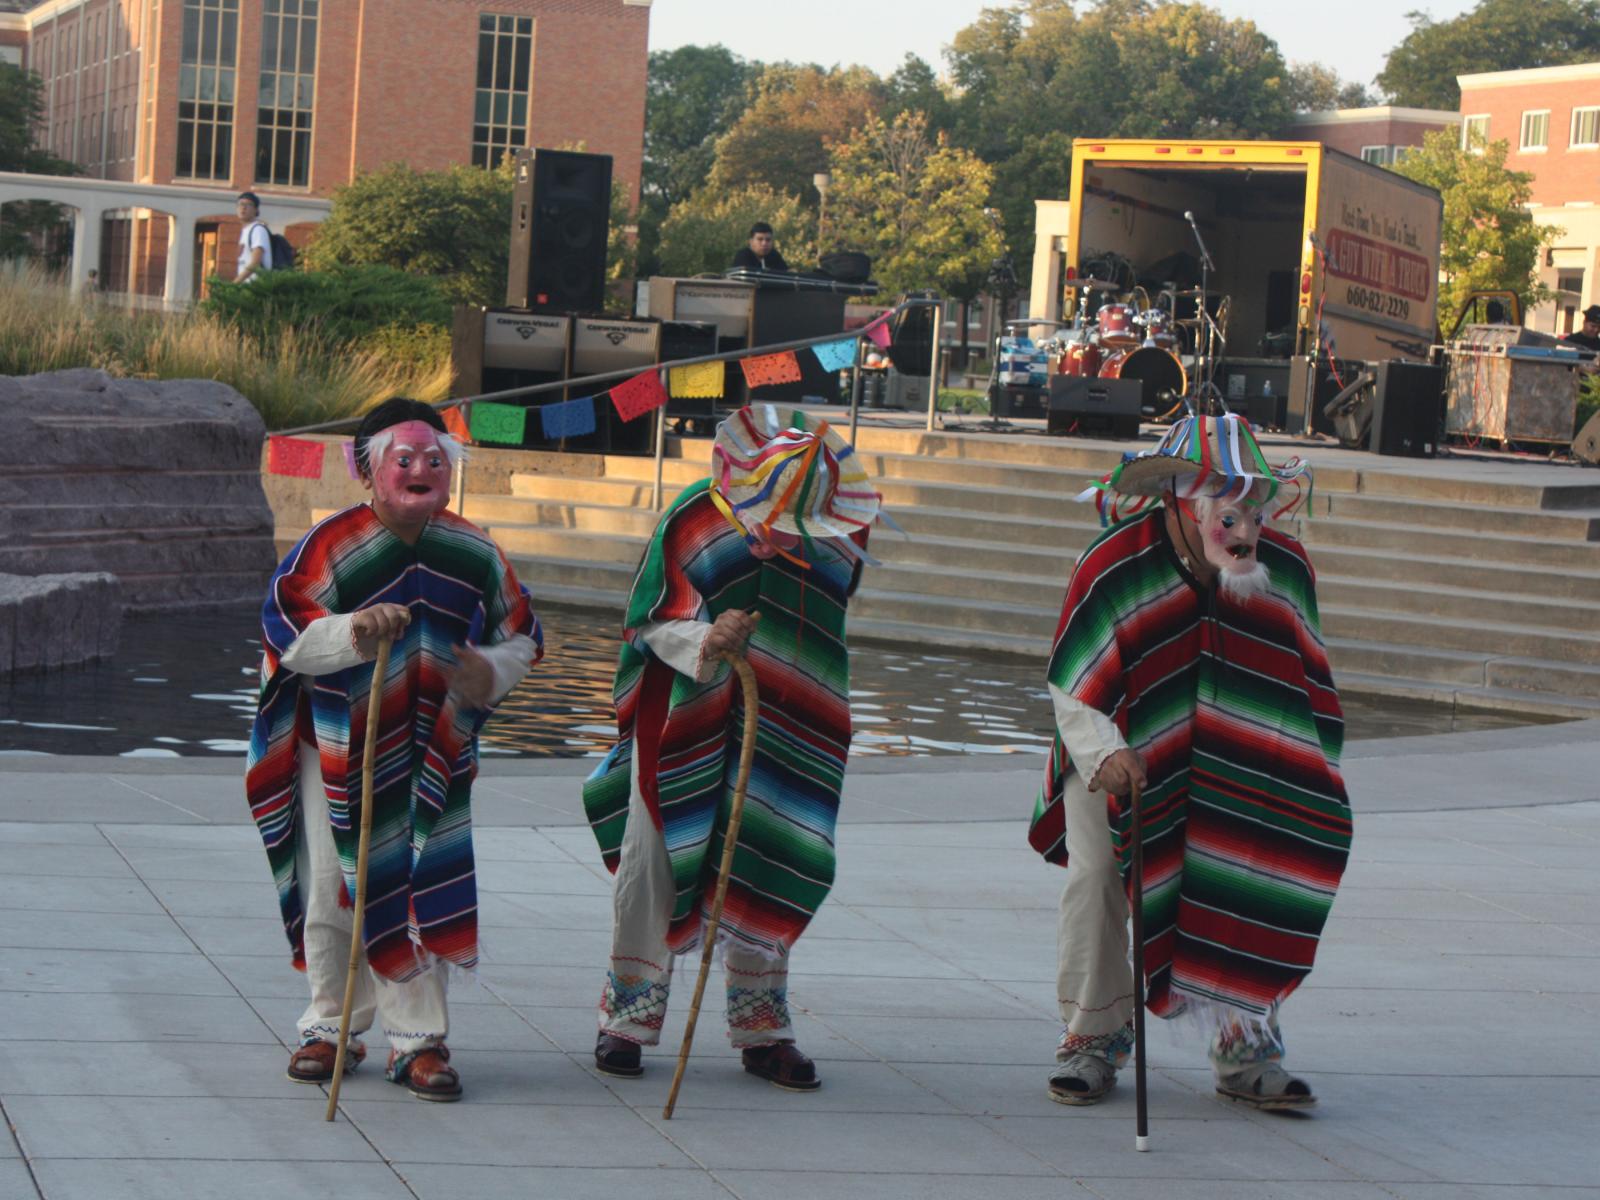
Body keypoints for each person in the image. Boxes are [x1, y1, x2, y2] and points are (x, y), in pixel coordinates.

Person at [1030, 413, 1351, 1112]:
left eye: (1255, 510)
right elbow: (1071, 681)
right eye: (1228, 514)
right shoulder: (1113, 565)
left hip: (1235, 763)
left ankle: (1245, 1048)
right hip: (1111, 753)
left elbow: (1305, 684)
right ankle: (1092, 1039)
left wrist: (1300, 766)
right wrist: (1107, 753)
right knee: (1098, 883)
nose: (1246, 532)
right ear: (1183, 501)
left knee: (1243, 870)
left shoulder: (1283, 572)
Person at [246, 397, 542, 1102]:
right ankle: (329, 1026)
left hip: (430, 755)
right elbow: (285, 631)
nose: (421, 470)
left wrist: (490, 671)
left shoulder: (473, 550)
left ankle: (419, 1042)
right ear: (366, 469)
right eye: (403, 459)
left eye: (433, 459)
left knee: (421, 884)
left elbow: (524, 633)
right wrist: (352, 629)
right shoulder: (330, 546)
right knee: (331, 888)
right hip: (337, 747)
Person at [584, 405, 883, 1090]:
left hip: (782, 715)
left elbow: (821, 625)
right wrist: (704, 639)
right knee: (653, 856)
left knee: (768, 843)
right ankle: (626, 1019)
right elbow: (648, 619)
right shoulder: (692, 516)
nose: (773, 541)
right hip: (682, 707)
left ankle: (762, 1029)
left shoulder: (838, 539)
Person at [236, 191, 273, 283]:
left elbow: (255, 263)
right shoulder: (246, 231)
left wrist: (235, 284)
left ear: (256, 210)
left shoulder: (258, 230)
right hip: (246, 287)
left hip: (256, 288)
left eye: (248, 204)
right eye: (241, 204)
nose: (243, 207)